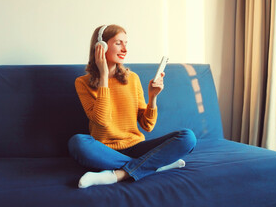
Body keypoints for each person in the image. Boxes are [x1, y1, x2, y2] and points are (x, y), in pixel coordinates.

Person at [68, 24, 197, 188]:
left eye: (126, 43)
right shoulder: (82, 83)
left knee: (188, 137)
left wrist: (152, 97)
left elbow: (147, 126)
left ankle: (118, 174)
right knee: (77, 142)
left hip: (136, 146)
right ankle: (155, 165)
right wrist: (104, 77)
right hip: (104, 151)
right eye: (118, 43)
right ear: (101, 47)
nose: (124, 49)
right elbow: (102, 120)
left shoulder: (132, 79)